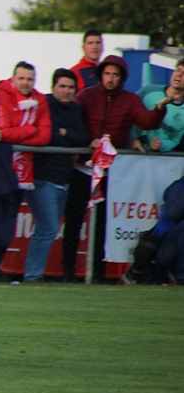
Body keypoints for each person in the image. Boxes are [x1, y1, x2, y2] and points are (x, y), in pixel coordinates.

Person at [65, 55, 172, 282]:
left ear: (122, 77)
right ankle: (67, 272)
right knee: (73, 222)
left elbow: (148, 121)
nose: (111, 78)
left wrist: (161, 107)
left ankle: (98, 276)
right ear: (100, 74)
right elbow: (72, 122)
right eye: (107, 73)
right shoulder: (85, 96)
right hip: (82, 170)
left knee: (103, 225)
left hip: (111, 174)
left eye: (115, 74)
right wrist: (85, 143)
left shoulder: (130, 99)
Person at [0, 61, 52, 282]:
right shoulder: (1, 96)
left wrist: (22, 134)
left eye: (29, 79)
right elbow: (2, 132)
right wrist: (30, 130)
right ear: (13, 79)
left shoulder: (40, 100)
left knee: (7, 223)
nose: (25, 83)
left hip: (23, 173)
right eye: (21, 78)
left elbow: (45, 136)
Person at [22, 69, 88, 283]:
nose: (67, 91)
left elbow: (82, 138)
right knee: (48, 227)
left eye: (71, 87)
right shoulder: (44, 104)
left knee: (47, 227)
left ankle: (33, 273)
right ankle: (32, 275)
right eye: (62, 86)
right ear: (53, 87)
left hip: (64, 179)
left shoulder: (76, 110)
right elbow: (46, 135)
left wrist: (65, 133)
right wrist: (64, 137)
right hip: (42, 177)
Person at [134, 59, 184, 153]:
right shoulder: (148, 90)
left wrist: (161, 144)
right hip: (130, 153)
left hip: (157, 161)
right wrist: (131, 140)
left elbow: (175, 141)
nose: (179, 75)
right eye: (177, 70)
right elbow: (127, 112)